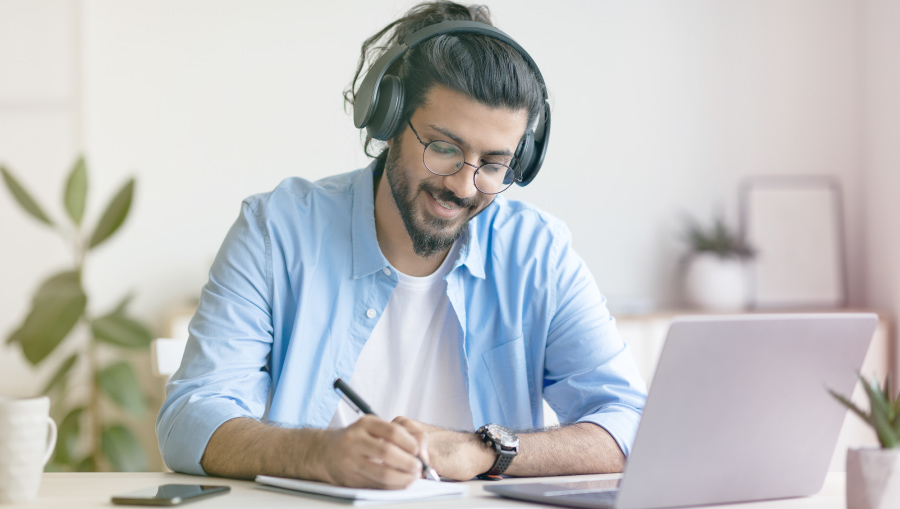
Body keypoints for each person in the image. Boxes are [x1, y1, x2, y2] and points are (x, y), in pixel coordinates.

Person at [156, 1, 646, 490]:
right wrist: (319, 453)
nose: (464, 185)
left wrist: (480, 449)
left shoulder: (538, 254)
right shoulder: (276, 231)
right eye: (444, 148)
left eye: (494, 164)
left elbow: (630, 422)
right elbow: (189, 419)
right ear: (387, 122)